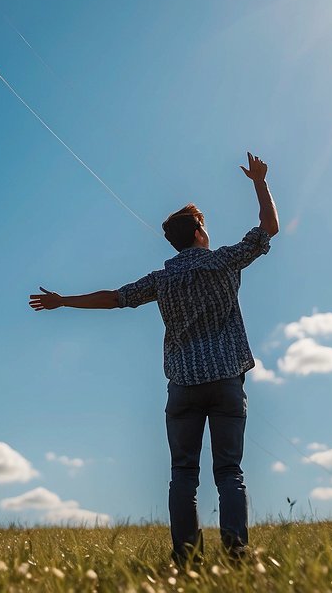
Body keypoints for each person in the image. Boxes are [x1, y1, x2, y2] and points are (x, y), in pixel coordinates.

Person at [29, 152, 279, 564]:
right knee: (229, 472)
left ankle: (186, 561)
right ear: (199, 232)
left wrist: (62, 302)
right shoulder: (223, 261)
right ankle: (237, 556)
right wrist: (259, 182)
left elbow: (114, 299)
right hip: (226, 380)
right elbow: (269, 228)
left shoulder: (162, 279)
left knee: (183, 475)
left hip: (182, 386)